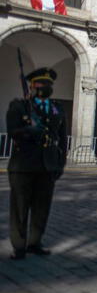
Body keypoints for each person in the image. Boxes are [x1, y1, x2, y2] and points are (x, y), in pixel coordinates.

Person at [6, 67, 67, 260]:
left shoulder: (57, 108)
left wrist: (60, 164)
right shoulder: (20, 106)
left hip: (47, 166)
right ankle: (19, 246)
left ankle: (35, 242)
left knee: (42, 207)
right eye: (41, 84)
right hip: (23, 166)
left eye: (48, 84)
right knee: (20, 208)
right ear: (32, 86)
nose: (45, 87)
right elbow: (12, 130)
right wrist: (31, 130)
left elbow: (62, 138)